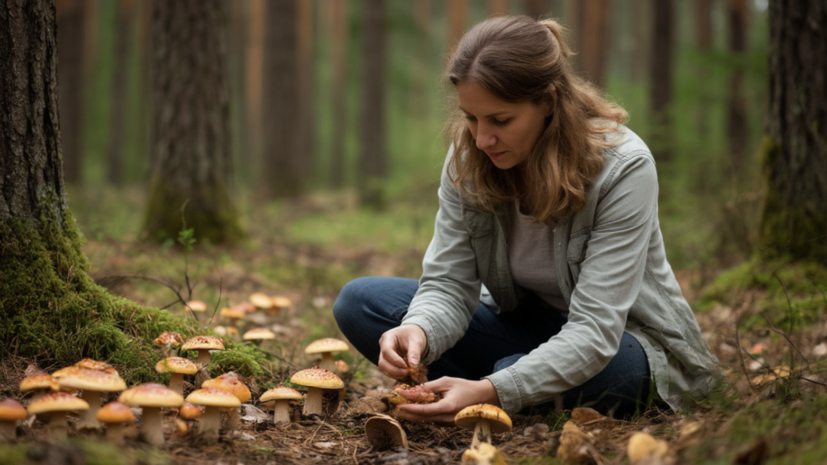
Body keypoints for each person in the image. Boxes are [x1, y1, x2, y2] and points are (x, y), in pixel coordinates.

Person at [334, 15, 720, 424]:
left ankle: (494, 386)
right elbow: (449, 284)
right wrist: (419, 331)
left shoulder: (624, 167)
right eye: (471, 117)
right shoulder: (469, 157)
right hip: (523, 327)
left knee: (600, 370)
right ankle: (503, 385)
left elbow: (595, 330)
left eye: (500, 120)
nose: (482, 139)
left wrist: (496, 388)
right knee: (361, 303)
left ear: (548, 102)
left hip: (622, 343)